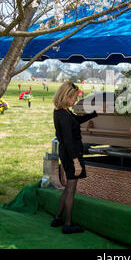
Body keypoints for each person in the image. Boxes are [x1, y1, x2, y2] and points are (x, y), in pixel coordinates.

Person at [50, 81, 97, 234]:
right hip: (72, 153)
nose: (75, 100)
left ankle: (58, 218)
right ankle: (68, 224)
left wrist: (95, 113)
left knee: (68, 188)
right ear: (66, 97)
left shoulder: (63, 112)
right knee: (71, 189)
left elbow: (76, 121)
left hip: (68, 152)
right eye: (74, 98)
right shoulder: (64, 115)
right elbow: (69, 141)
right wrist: (76, 162)